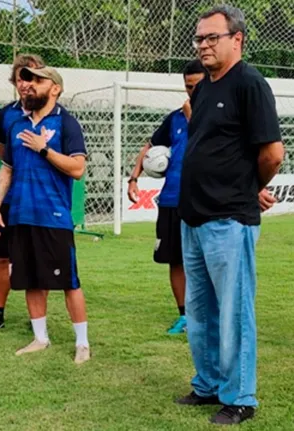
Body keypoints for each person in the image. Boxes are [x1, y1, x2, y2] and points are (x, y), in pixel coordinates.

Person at [175, 6, 284, 425]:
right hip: (193, 219)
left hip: (229, 221)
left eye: (211, 38)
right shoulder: (202, 89)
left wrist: (247, 188)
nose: (203, 45)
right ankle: (207, 385)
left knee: (234, 313)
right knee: (200, 313)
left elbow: (272, 153)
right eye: (199, 39)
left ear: (236, 39)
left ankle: (241, 397)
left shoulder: (251, 84)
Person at [0, 65, 91, 364]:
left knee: (69, 281)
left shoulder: (67, 123)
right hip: (20, 215)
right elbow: (7, 169)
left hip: (53, 216)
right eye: (27, 80)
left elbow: (78, 169)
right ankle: (40, 338)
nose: (29, 85)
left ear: (55, 88)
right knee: (31, 279)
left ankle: (82, 343)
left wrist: (44, 149)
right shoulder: (16, 124)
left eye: (37, 80)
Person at [127, 60, 206, 335]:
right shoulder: (173, 118)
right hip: (172, 199)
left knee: (208, 261)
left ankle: (207, 317)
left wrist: (194, 116)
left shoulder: (219, 115)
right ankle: (184, 316)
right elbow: (150, 146)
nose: (191, 92)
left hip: (206, 201)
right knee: (176, 260)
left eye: (197, 86)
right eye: (188, 86)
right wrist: (134, 177)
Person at [0, 54, 44, 332]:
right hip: (12, 201)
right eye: (21, 78)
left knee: (37, 259)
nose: (27, 84)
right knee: (3, 257)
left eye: (33, 77)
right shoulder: (6, 115)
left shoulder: (56, 114)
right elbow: (6, 159)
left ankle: (37, 317)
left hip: (38, 200)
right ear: (14, 82)